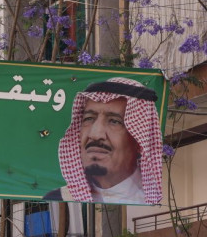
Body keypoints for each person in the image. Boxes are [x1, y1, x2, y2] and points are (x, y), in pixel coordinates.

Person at [43, 77, 163, 205]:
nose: (95, 135)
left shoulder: (148, 202)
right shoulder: (59, 198)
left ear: (140, 140)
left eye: (114, 121)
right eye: (89, 118)